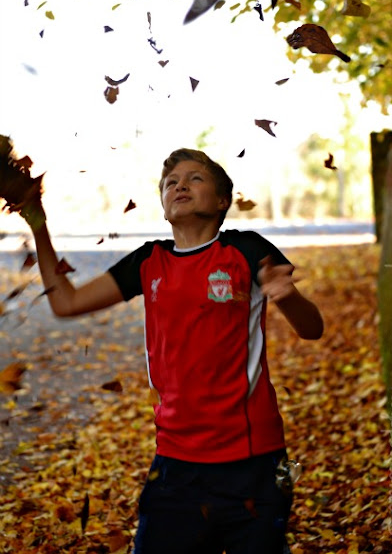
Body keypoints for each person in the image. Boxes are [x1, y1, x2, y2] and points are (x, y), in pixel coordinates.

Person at [20, 147, 323, 554]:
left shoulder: (246, 249)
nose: (180, 184)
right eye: (170, 182)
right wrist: (38, 225)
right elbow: (66, 303)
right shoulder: (149, 260)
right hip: (175, 464)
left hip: (253, 460)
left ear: (221, 201)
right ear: (163, 205)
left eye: (195, 178)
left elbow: (312, 328)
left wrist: (286, 297)